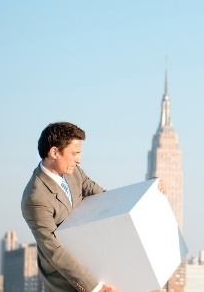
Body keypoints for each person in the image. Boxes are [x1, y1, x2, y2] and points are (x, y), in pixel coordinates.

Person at [21, 122, 167, 292]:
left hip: (94, 257)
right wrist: (95, 288)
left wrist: (149, 190)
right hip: (67, 278)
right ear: (54, 152)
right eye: (74, 153)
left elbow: (105, 198)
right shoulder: (36, 198)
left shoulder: (74, 172)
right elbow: (54, 250)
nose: (79, 159)